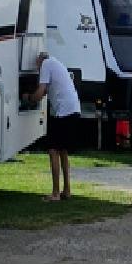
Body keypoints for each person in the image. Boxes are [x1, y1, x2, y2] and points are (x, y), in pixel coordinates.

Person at [28, 49, 80, 201]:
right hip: (73, 109)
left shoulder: (46, 64)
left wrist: (28, 98)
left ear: (39, 61)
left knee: (53, 150)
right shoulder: (56, 63)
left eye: (37, 65)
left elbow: (40, 93)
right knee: (63, 151)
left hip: (64, 111)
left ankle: (56, 193)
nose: (37, 69)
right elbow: (46, 91)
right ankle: (67, 190)